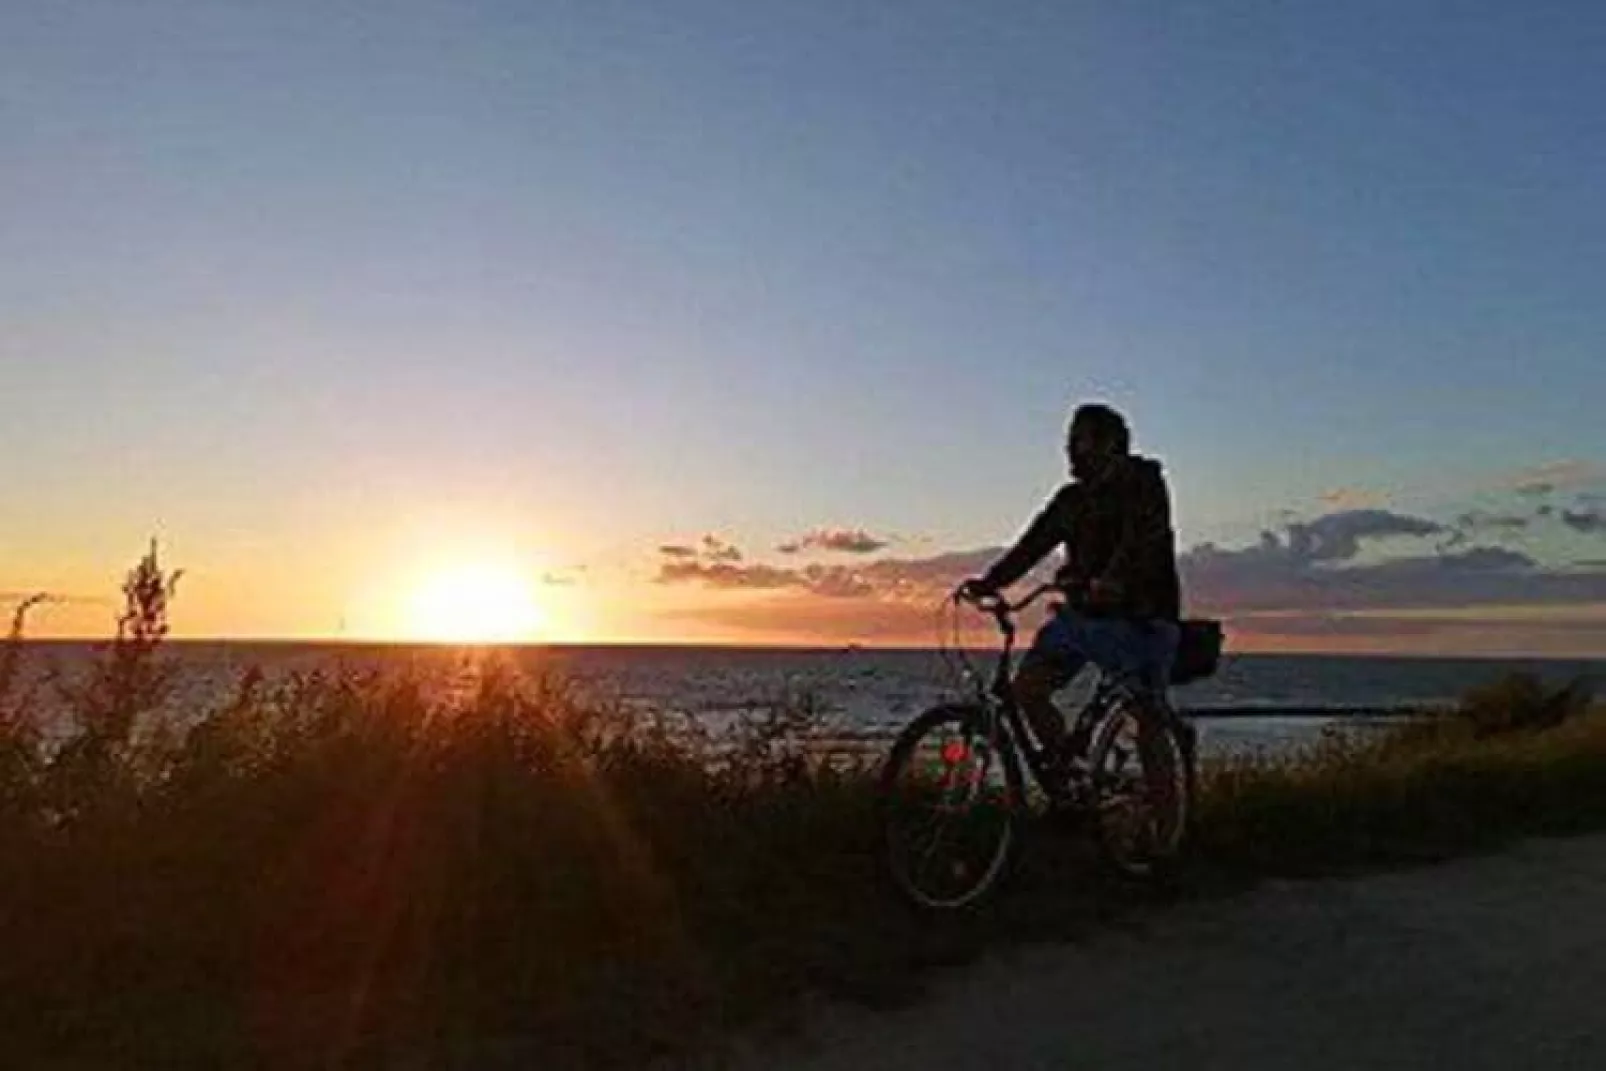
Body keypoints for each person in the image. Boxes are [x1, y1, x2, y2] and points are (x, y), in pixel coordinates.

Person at [957, 402, 1182, 772]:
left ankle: (1166, 824)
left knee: (1148, 720)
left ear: (1109, 443)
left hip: (1141, 618)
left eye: (1079, 440)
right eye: (1070, 441)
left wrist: (1113, 581)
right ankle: (1070, 780)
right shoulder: (1070, 501)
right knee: (1026, 690)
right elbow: (1033, 545)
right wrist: (990, 582)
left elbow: (1143, 538)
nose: (1070, 450)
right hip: (1084, 617)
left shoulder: (1144, 482)